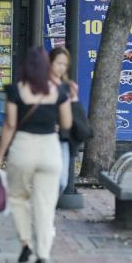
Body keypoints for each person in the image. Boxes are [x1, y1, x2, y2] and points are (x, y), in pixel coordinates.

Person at [0, 47, 72, 263]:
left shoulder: (16, 91)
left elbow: (9, 125)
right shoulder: (59, 91)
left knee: (17, 198)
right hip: (50, 150)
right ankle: (43, 254)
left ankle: (26, 242)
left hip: (23, 149)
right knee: (45, 205)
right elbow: (66, 124)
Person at [49, 46, 80, 194]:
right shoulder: (42, 85)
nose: (61, 67)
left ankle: (48, 205)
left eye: (65, 64)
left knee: (62, 181)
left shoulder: (68, 87)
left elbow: (76, 115)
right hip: (45, 138)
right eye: (58, 63)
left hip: (63, 138)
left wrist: (74, 98)